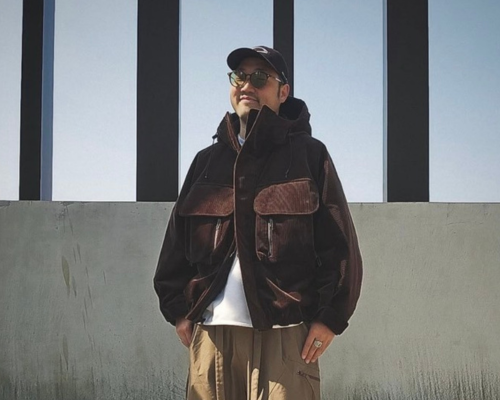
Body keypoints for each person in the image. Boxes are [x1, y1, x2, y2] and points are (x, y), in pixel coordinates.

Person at [154, 45, 362, 400]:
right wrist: (178, 311)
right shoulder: (206, 162)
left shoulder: (310, 156)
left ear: (283, 91)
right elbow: (175, 245)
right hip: (212, 338)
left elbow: (340, 246)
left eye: (261, 77)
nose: (247, 85)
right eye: (240, 76)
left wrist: (330, 318)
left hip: (286, 338)